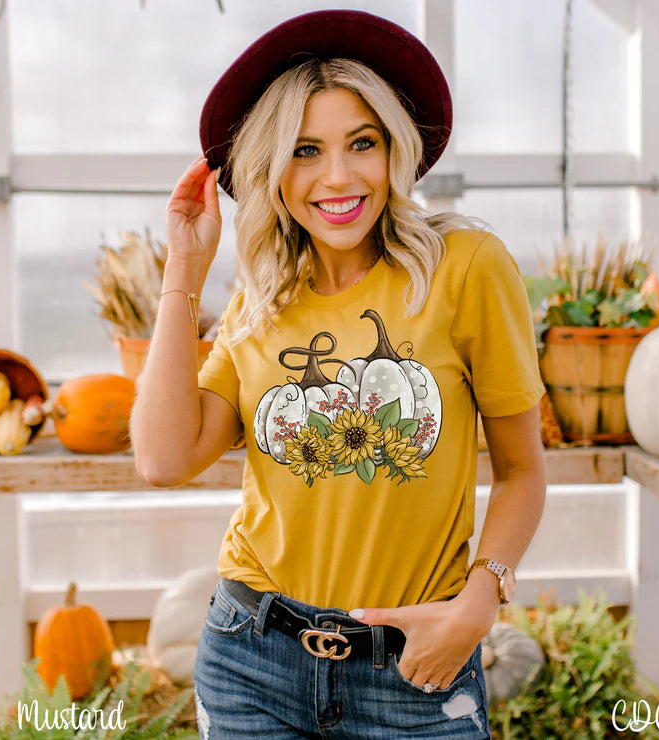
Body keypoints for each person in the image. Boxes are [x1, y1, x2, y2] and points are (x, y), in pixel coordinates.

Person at [131, 9, 546, 739]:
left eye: (363, 143)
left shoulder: (465, 266)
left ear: (396, 149)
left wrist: (479, 604)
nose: (339, 176)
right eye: (305, 151)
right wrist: (186, 268)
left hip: (414, 669)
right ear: (271, 170)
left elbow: (522, 471)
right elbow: (164, 458)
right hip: (251, 658)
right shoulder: (262, 296)